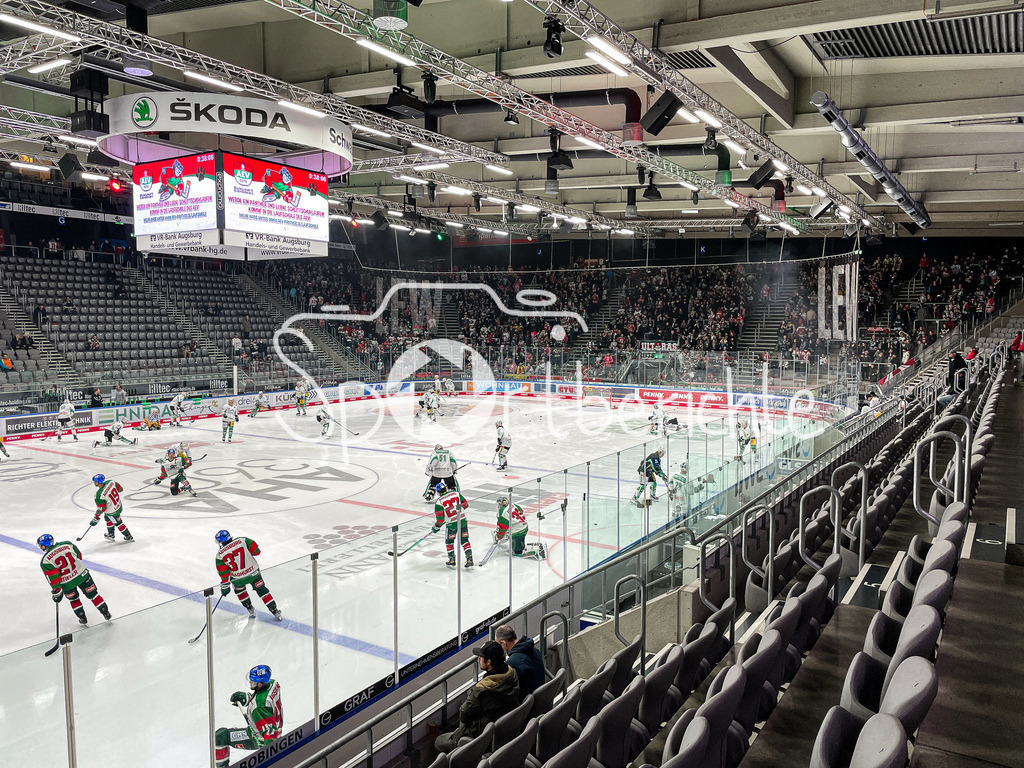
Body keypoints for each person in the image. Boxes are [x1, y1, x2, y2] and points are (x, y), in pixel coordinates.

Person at [434, 641, 519, 753]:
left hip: (483, 733)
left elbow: (464, 714)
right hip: (504, 726)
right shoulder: (512, 673)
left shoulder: (482, 690)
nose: (478, 658)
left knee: (439, 742)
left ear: (488, 662)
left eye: (481, 657)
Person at [214, 665, 283, 768]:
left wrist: (270, 756)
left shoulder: (258, 707)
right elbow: (266, 700)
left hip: (258, 738)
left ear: (260, 684)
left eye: (253, 681)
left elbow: (270, 735)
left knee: (220, 737)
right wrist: (248, 699)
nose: (250, 682)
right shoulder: (273, 684)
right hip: (275, 727)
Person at [37, 534, 111, 626]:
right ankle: (106, 612)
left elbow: (53, 578)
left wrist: (57, 591)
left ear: (44, 545)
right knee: (94, 595)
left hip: (67, 583)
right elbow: (79, 555)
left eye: (41, 545)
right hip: (82, 575)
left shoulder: (45, 561)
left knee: (74, 599)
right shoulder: (67, 544)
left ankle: (82, 618)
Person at [214, 530, 283, 620]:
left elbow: (224, 574)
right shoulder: (242, 540)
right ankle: (274, 610)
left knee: (241, 592)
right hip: (254, 573)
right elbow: (257, 551)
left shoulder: (220, 555)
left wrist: (225, 588)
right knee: (262, 590)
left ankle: (250, 608)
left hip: (238, 579)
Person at [494, 625, 544, 699]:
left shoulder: (513, 663)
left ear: (504, 643)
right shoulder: (533, 649)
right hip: (541, 697)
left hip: (528, 703)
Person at [431, 482, 474, 568]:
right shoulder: (456, 494)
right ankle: (469, 559)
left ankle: (452, 560)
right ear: (446, 488)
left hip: (451, 525)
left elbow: (440, 519)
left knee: (449, 542)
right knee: (465, 540)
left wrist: (436, 527)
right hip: (462, 521)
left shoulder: (439, 502)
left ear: (438, 492)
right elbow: (465, 504)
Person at [90, 473, 134, 542]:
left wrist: (96, 517)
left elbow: (102, 509)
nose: (94, 483)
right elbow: (120, 489)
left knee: (118, 523)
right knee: (107, 518)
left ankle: (128, 536)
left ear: (98, 482)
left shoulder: (99, 495)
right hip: (118, 506)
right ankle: (111, 534)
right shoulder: (111, 482)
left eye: (95, 481)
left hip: (112, 511)